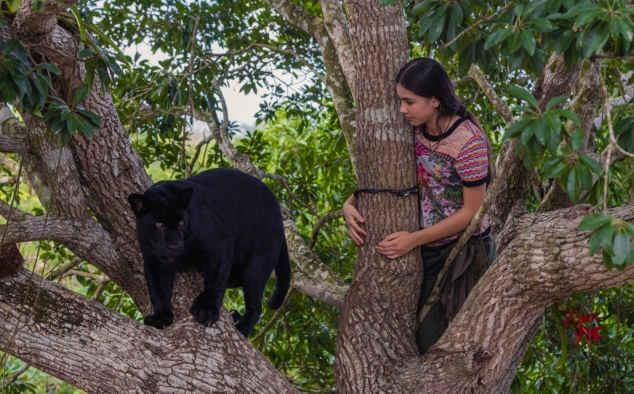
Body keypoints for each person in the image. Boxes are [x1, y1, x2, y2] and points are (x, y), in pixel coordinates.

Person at [342, 57, 498, 355]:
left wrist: (412, 240)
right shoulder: (412, 131)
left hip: (465, 251)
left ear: (435, 99)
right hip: (428, 246)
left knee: (435, 345)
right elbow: (387, 179)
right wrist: (349, 204)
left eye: (409, 102)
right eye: (400, 101)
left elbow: (472, 213)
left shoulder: (469, 143)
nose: (402, 110)